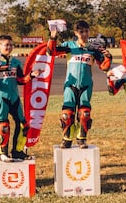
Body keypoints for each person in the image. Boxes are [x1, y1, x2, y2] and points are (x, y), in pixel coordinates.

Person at [48, 20, 112, 148]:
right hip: (70, 85)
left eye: (86, 31)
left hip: (86, 85)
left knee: (84, 114)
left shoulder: (93, 49)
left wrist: (108, 57)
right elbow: (51, 52)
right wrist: (53, 36)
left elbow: (104, 67)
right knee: (67, 114)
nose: (84, 34)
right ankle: (67, 139)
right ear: (76, 33)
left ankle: (81, 139)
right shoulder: (70, 46)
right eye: (81, 31)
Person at [0, 35, 40, 162]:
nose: (9, 47)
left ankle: (17, 152)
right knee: (3, 126)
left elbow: (21, 80)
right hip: (1, 97)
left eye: (11, 45)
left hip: (14, 97)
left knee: (23, 125)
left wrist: (31, 75)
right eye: (6, 45)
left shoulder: (16, 62)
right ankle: (2, 153)